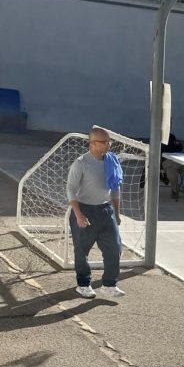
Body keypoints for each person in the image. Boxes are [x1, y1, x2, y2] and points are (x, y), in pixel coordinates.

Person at [66, 127, 125, 300]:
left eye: (109, 142)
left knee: (115, 247)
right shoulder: (81, 163)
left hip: (106, 211)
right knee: (82, 250)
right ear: (92, 143)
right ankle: (83, 284)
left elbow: (115, 188)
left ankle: (109, 285)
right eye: (104, 142)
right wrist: (78, 214)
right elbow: (70, 190)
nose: (108, 145)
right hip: (85, 210)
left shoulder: (112, 161)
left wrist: (117, 213)